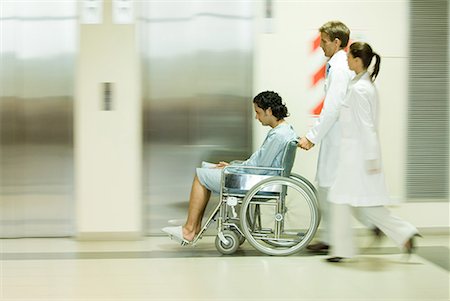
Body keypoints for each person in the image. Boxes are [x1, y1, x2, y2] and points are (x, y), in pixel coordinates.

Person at [162, 91, 297, 244]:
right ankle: (194, 227)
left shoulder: (278, 135)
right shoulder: (285, 131)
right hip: (263, 178)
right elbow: (260, 163)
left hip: (258, 182)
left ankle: (189, 230)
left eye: (258, 113)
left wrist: (233, 168)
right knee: (207, 167)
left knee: (200, 176)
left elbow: (259, 167)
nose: (256, 117)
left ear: (269, 111)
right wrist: (232, 165)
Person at [326, 42, 419, 262]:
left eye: (349, 57)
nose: (346, 59)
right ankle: (404, 233)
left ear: (358, 60)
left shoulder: (360, 89)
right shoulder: (361, 84)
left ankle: (343, 250)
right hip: (355, 155)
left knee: (345, 200)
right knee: (363, 204)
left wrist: (371, 158)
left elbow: (367, 127)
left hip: (358, 157)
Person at [298, 21, 356, 252]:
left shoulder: (340, 68)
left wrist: (312, 137)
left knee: (330, 188)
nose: (321, 45)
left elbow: (332, 108)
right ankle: (332, 238)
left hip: (339, 137)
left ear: (336, 42)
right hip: (334, 136)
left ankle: (339, 239)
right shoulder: (335, 65)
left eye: (324, 41)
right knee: (325, 186)